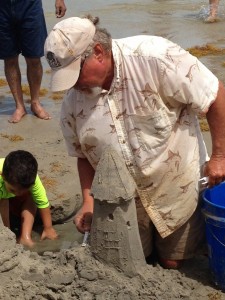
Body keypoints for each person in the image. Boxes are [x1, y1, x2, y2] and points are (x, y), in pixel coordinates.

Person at [44, 15, 225, 269]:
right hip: (124, 205)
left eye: (75, 73)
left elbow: (215, 96)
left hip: (176, 189)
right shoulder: (72, 104)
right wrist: (88, 200)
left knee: (172, 263)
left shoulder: (155, 57)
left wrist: (219, 157)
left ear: (98, 52)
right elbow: (83, 155)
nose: (73, 85)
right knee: (130, 265)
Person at [0, 0, 66, 123]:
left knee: (34, 58)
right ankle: (19, 106)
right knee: (9, 59)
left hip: (30, 6)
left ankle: (35, 102)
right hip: (2, 9)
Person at [0, 150, 58, 247]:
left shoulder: (31, 178)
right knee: (3, 200)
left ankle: (25, 237)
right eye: (14, 190)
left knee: (31, 196)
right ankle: (9, 232)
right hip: (3, 195)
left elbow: (42, 202)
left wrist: (48, 228)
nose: (18, 194)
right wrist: (7, 233)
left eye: (22, 190)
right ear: (3, 176)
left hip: (7, 194)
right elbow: (2, 204)